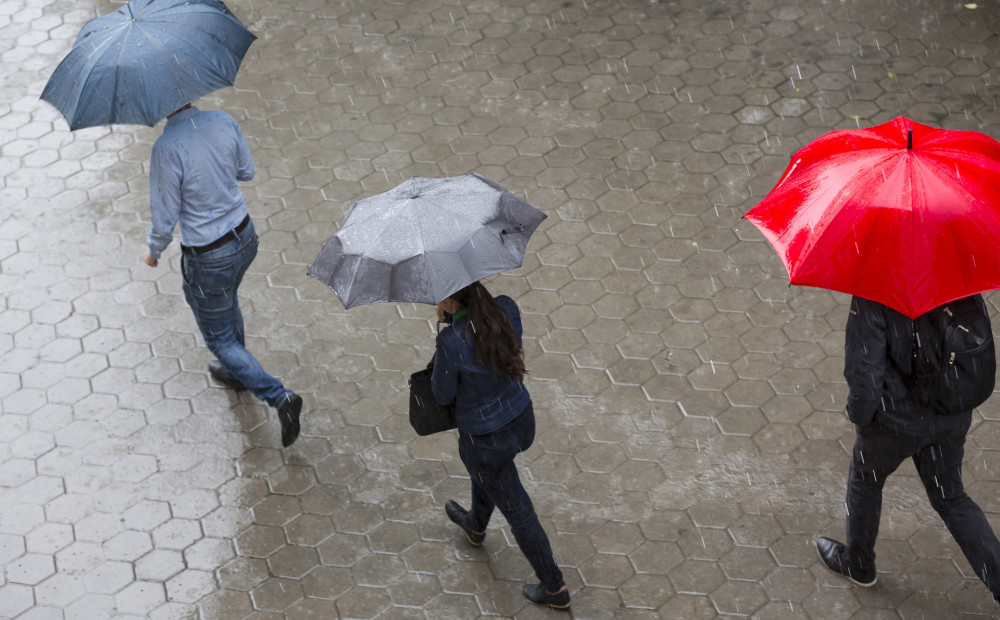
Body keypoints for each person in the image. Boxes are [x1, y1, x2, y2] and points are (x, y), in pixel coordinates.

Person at [818, 294, 1000, 602]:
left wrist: (862, 420)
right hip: (951, 411)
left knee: (865, 480)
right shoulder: (957, 273)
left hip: (897, 422)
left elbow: (864, 374)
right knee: (951, 497)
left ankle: (859, 564)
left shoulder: (872, 293)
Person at [142, 103, 303, 447]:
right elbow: (247, 171)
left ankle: (280, 398)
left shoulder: (166, 148)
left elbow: (164, 215)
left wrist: (153, 252)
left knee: (219, 339)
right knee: (225, 300)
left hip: (208, 256)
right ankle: (236, 372)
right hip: (245, 238)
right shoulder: (223, 120)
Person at [431, 281, 570, 610]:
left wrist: (447, 328)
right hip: (523, 421)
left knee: (519, 513)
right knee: (489, 475)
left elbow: (441, 394)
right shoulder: (506, 307)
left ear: (450, 298)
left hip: (485, 440)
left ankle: (555, 588)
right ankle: (475, 527)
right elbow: (492, 349)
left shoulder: (451, 341)